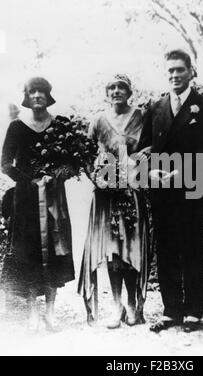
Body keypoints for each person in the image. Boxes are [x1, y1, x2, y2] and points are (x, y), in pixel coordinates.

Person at [138, 50, 203, 333]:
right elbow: (142, 149)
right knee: (167, 250)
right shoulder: (156, 107)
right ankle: (171, 310)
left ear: (190, 71)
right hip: (162, 191)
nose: (175, 75)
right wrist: (149, 170)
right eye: (170, 71)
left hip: (190, 187)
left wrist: (183, 171)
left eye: (180, 70)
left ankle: (193, 312)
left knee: (192, 247)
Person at [1, 77, 75, 332]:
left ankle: (51, 313)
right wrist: (29, 180)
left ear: (48, 95)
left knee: (55, 250)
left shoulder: (61, 125)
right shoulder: (16, 127)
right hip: (26, 200)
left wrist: (57, 175)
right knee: (30, 251)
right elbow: (5, 163)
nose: (37, 95)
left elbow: (72, 161)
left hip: (54, 197)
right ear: (27, 96)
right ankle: (33, 313)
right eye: (32, 91)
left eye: (41, 91)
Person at [78, 74, 151, 329]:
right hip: (107, 191)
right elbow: (84, 154)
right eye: (112, 87)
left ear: (129, 91)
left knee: (130, 246)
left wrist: (138, 160)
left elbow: (153, 146)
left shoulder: (141, 115)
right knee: (112, 250)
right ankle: (116, 305)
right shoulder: (98, 119)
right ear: (106, 93)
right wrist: (96, 179)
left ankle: (132, 305)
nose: (117, 91)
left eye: (122, 87)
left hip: (131, 187)